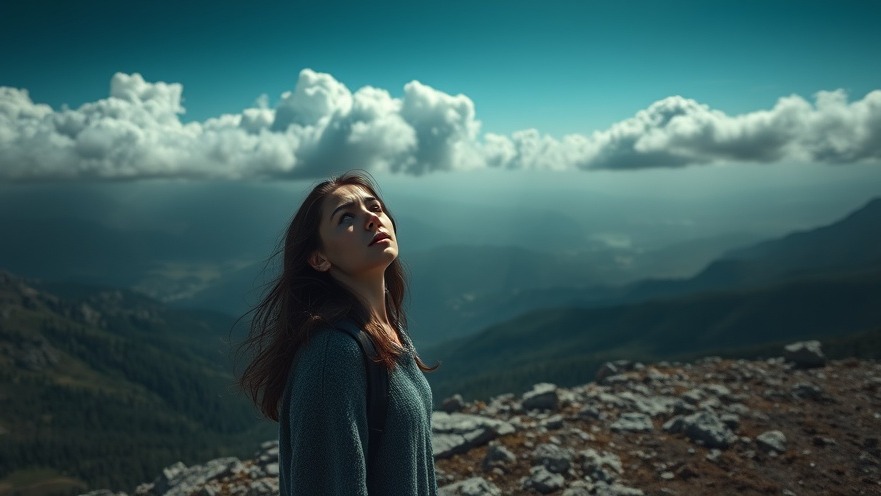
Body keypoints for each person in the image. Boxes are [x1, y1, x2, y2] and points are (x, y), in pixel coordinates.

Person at [238, 171, 439, 495]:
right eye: (347, 217)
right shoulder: (333, 356)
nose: (372, 220)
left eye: (374, 208)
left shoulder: (389, 332)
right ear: (319, 259)